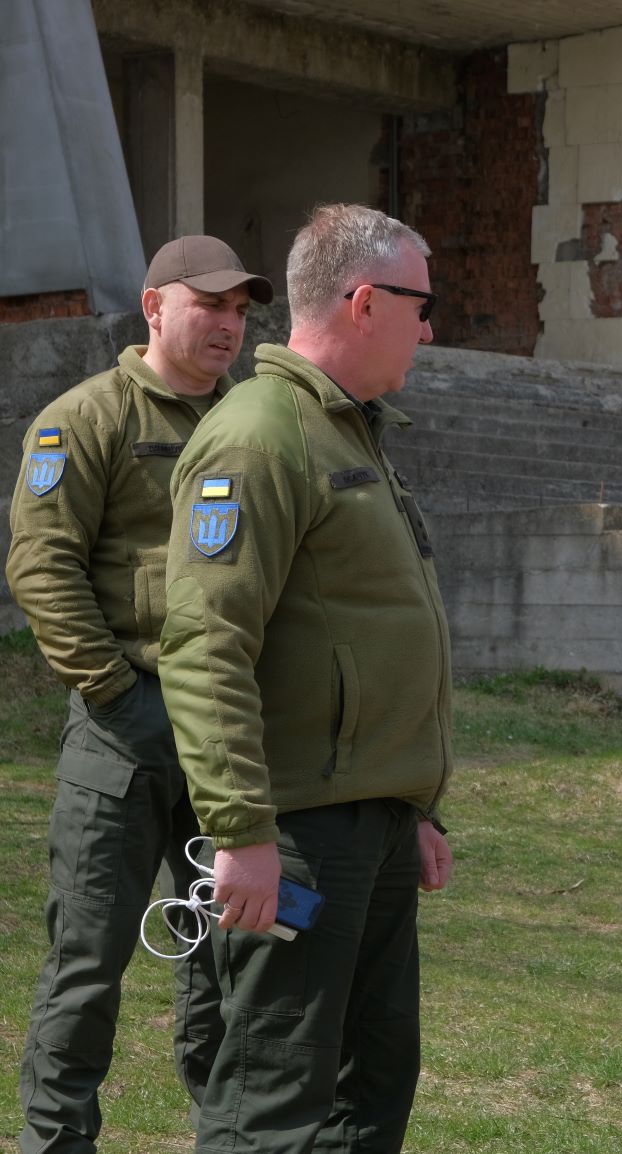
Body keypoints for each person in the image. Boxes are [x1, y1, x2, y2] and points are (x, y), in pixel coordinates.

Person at [157, 204, 455, 1152]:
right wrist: (242, 833)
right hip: (296, 835)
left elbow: (363, 632)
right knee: (274, 1100)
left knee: (370, 1089)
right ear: (366, 302)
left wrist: (410, 808)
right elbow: (207, 647)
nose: (430, 326)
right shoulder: (261, 435)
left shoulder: (349, 431)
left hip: (367, 824)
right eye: (421, 304)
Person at [8, 235, 271, 1153]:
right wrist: (119, 696)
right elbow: (41, 567)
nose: (229, 326)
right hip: (122, 737)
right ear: (156, 308)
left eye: (241, 311)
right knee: (89, 967)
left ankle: (227, 1138)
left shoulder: (255, 424)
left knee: (226, 965)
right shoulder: (86, 417)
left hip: (229, 739)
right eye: (211, 306)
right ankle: (55, 1142)